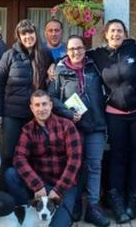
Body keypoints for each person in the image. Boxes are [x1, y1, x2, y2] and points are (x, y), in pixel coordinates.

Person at [49, 35, 111, 227]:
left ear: (85, 49)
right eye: (72, 49)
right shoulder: (59, 70)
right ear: (66, 51)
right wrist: (67, 113)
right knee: (74, 167)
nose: (76, 52)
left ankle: (92, 207)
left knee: (94, 166)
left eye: (79, 48)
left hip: (96, 125)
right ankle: (75, 203)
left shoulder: (95, 67)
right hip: (72, 127)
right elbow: (52, 97)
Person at [90, 20, 136, 223]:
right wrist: (55, 64)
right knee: (117, 157)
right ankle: (117, 202)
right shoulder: (97, 55)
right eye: (112, 31)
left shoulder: (135, 50)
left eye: (119, 31)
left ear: (125, 33)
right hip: (114, 114)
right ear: (105, 34)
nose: (116, 34)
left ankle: (134, 201)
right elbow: (74, 57)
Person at [4, 91, 83, 227]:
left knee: (58, 225)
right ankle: (29, 209)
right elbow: (19, 158)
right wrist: (37, 185)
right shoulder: (28, 129)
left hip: (64, 185)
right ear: (31, 108)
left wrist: (58, 190)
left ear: (51, 105)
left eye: (44, 104)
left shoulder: (67, 125)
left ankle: (69, 206)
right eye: (37, 105)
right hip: (41, 183)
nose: (41, 109)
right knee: (10, 174)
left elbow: (74, 161)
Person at [0, 19, 50, 171]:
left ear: (36, 34)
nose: (27, 36)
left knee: (35, 153)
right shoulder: (9, 55)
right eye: (23, 34)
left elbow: (54, 74)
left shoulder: (44, 55)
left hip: (36, 115)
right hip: (12, 115)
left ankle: (31, 190)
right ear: (19, 36)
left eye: (30, 32)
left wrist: (54, 66)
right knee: (10, 153)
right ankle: (9, 189)